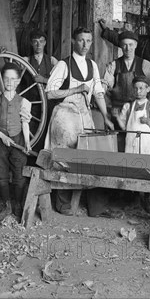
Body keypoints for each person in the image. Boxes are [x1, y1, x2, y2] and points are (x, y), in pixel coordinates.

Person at [45, 27, 114, 216]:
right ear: (74, 41)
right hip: (65, 115)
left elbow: (98, 93)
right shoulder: (63, 64)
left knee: (88, 156)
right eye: (81, 40)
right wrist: (75, 90)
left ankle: (94, 206)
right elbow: (50, 93)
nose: (85, 45)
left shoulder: (92, 65)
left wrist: (106, 117)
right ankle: (63, 203)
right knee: (64, 158)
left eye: (89, 41)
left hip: (84, 115)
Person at [0, 62, 32, 222]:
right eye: (6, 79)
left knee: (19, 175)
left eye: (13, 79)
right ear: (2, 80)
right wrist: (2, 136)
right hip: (0, 141)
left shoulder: (24, 102)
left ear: (18, 81)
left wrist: (26, 142)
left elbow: (25, 123)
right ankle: (7, 206)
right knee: (1, 173)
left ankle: (17, 204)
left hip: (18, 138)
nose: (10, 83)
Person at [103, 31, 150, 131]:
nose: (128, 48)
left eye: (131, 45)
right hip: (118, 111)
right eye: (124, 45)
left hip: (137, 111)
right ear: (121, 46)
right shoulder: (114, 65)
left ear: (135, 45)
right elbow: (105, 87)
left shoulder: (144, 64)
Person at [117, 75, 150, 155]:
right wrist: (117, 117)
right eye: (135, 88)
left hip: (145, 143)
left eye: (141, 88)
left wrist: (148, 122)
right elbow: (124, 127)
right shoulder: (128, 106)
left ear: (148, 89)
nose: (138, 91)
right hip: (130, 141)